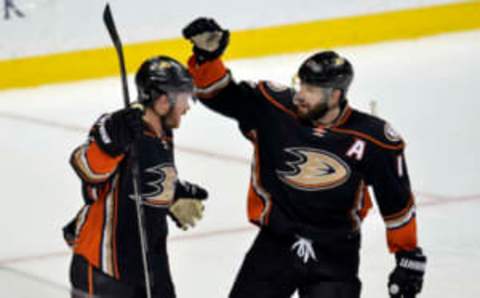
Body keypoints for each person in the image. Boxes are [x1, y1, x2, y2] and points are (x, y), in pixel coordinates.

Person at [182, 18, 427, 298]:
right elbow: (221, 97)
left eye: (310, 90)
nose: (300, 96)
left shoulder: (372, 138)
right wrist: (208, 58)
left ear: (335, 95)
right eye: (301, 86)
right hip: (275, 244)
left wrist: (407, 255)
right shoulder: (273, 109)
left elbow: (396, 201)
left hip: (335, 251)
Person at [63, 55, 208, 298]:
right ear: (163, 100)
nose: (188, 106)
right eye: (184, 97)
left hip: (148, 265)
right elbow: (87, 171)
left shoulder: (163, 132)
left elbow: (140, 178)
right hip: (105, 271)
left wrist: (172, 196)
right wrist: (113, 138)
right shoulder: (117, 126)